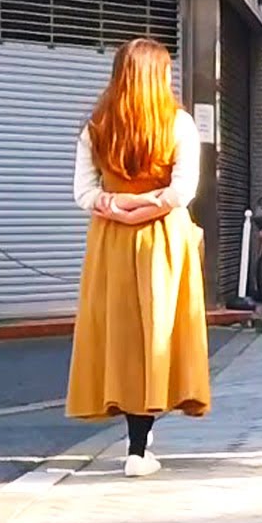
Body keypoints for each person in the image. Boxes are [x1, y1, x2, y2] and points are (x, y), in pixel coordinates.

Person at [67, 37, 210, 479]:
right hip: (164, 238)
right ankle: (139, 446)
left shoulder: (97, 125)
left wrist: (118, 206)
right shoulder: (179, 124)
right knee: (160, 332)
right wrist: (148, 205)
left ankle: (137, 442)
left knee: (121, 334)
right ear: (157, 76)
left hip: (111, 241)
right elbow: (183, 191)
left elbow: (83, 193)